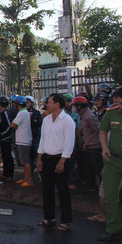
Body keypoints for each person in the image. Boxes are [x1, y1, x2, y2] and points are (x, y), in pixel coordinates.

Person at [36, 93, 76, 232]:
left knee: (63, 190)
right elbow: (43, 139)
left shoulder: (67, 121)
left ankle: (65, 221)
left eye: (50, 102)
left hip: (61, 158)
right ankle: (49, 217)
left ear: (57, 104)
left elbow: (69, 143)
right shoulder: (46, 120)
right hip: (47, 157)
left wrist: (62, 161)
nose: (47, 105)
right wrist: (39, 157)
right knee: (47, 189)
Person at [97, 86, 122, 241]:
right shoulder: (111, 113)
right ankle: (113, 229)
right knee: (110, 196)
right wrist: (104, 147)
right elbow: (102, 131)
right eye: (120, 103)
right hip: (112, 160)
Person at [11, 96, 34, 187]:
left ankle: (29, 179)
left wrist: (15, 126)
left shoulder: (22, 113)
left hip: (23, 140)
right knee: (24, 160)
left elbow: (13, 125)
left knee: (25, 161)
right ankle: (26, 177)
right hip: (23, 140)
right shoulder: (24, 112)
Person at [0, 95, 14, 182]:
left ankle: (10, 174)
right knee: (4, 156)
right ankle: (5, 173)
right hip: (3, 138)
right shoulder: (2, 113)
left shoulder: (5, 113)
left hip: (6, 138)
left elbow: (9, 125)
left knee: (8, 157)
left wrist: (3, 134)